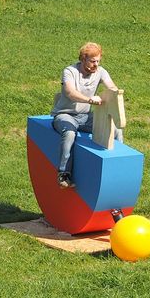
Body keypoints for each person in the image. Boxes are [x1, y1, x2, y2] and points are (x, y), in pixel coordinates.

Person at [51, 42, 122, 188]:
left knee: (116, 130)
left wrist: (116, 94)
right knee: (70, 133)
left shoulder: (100, 71)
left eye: (98, 61)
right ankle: (63, 175)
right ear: (83, 59)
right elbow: (70, 93)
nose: (96, 65)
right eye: (92, 61)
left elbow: (112, 87)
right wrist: (90, 99)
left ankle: (119, 165)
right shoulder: (69, 71)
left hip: (85, 117)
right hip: (65, 115)